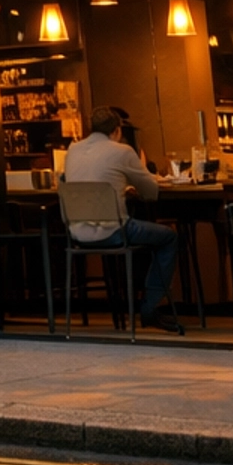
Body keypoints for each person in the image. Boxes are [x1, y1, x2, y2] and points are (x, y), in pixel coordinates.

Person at [62, 105, 180, 331]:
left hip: (76, 232)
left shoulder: (72, 150)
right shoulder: (122, 151)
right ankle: (149, 308)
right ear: (117, 130)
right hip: (114, 231)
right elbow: (150, 192)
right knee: (169, 237)